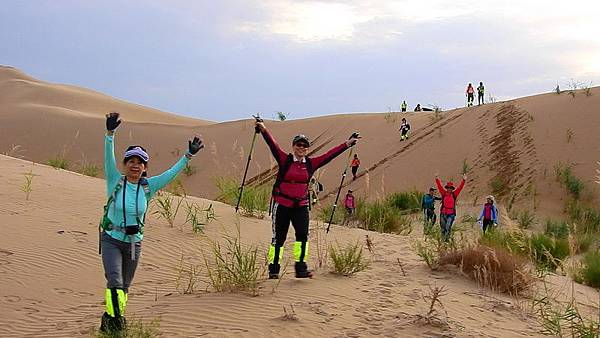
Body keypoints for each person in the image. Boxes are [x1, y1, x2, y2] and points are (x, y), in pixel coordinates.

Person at [99, 113, 204, 333]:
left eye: (140, 162)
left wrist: (188, 156)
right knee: (115, 281)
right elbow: (108, 156)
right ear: (125, 164)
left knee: (124, 287)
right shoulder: (115, 180)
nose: (135, 166)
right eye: (131, 161)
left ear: (145, 167)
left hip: (134, 244)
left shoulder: (149, 186)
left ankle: (110, 319)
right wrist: (110, 134)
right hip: (111, 240)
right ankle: (118, 325)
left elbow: (172, 173)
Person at [255, 120, 360, 279]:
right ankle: (273, 268)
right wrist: (263, 129)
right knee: (279, 238)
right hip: (282, 205)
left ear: (307, 148)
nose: (301, 148)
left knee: (302, 236)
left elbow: (329, 155)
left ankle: (300, 268)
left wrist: (347, 144)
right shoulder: (285, 160)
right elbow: (273, 145)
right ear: (293, 146)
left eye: (304, 145)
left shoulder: (311, 164)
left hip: (301, 206)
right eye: (299, 145)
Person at [435, 173, 466, 241]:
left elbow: (460, 188)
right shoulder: (444, 193)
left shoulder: (454, 194)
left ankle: (447, 238)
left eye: (450, 188)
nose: (449, 189)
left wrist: (463, 180)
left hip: (451, 213)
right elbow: (439, 186)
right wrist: (437, 179)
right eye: (448, 188)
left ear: (452, 189)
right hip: (443, 213)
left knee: (448, 226)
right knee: (443, 226)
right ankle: (443, 238)